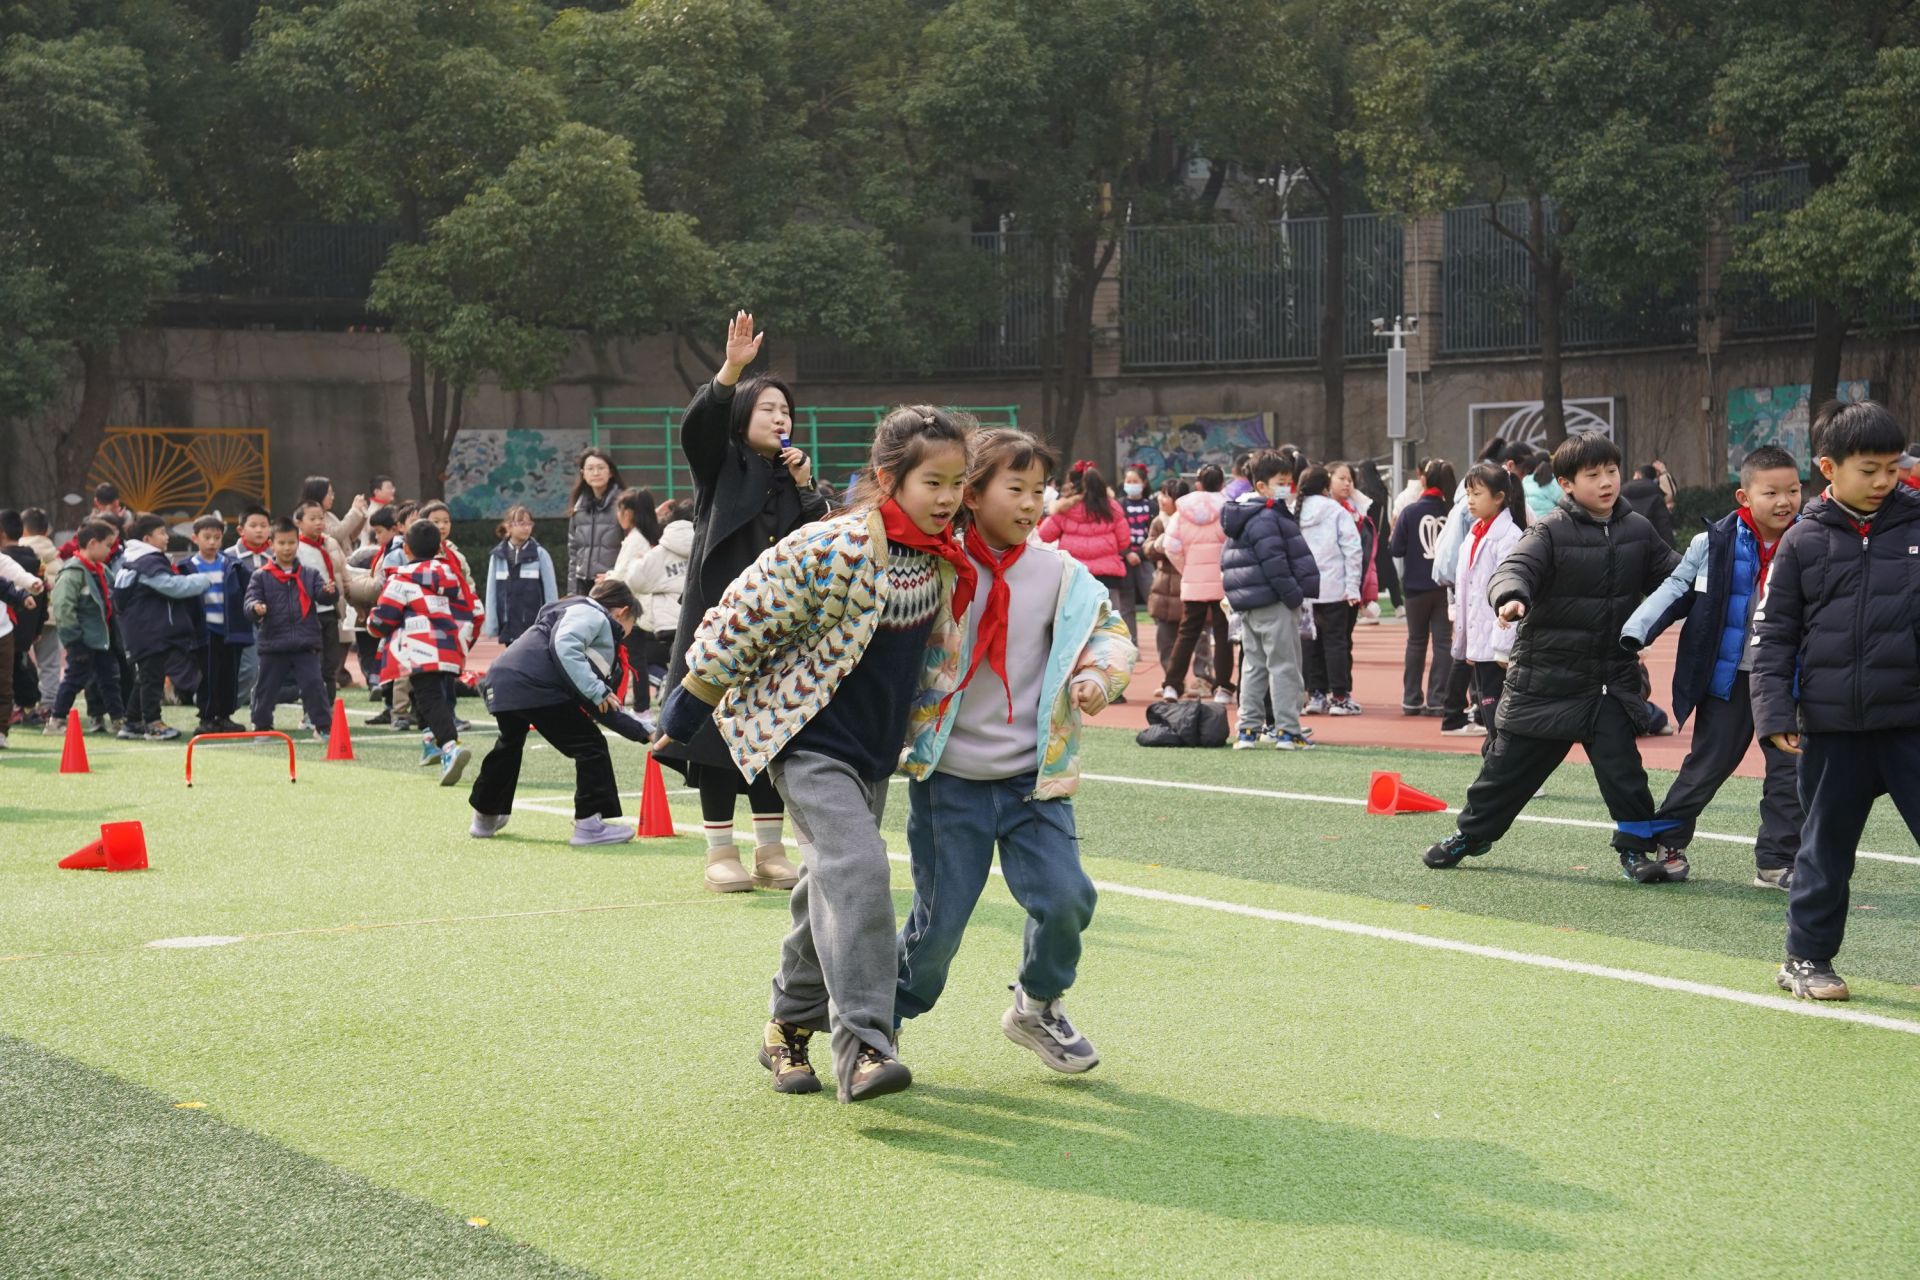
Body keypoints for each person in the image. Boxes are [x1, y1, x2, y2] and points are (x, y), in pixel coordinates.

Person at [654, 403, 973, 1104]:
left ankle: (787, 1025)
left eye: (958, 483)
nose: (948, 497)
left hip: (872, 751)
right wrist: (688, 702)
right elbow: (748, 611)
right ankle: (864, 1047)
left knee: (826, 885)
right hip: (805, 741)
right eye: (933, 482)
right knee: (858, 869)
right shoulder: (837, 545)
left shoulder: (942, 554)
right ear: (888, 479)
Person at [894, 428, 1136, 1072]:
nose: (1031, 504)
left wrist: (1098, 675)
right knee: (939, 924)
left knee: (1066, 899)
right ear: (972, 495)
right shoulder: (934, 567)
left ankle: (1037, 1005)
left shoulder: (1062, 573)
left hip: (1034, 781)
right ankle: (881, 1018)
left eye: (1039, 490)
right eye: (1016, 489)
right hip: (951, 782)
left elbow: (1109, 633)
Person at [1423, 435, 1681, 880]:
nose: (1606, 482)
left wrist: (1707, 580)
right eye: (1593, 475)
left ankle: (1636, 851)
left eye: (1611, 471)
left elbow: (1674, 577)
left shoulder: (1638, 529)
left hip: (1610, 682)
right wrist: (1511, 597)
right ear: (1566, 483)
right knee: (1506, 771)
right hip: (1547, 680)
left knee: (1624, 774)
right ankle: (1472, 834)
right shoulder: (1549, 530)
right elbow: (1513, 569)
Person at [1752, 401, 1920, 1001]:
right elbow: (1773, 635)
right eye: (1869, 470)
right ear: (1829, 467)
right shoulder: (1802, 540)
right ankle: (1806, 958)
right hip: (1833, 727)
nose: (1884, 481)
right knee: (1824, 848)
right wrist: (1774, 713)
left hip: (1910, 721)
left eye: (1893, 468)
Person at [655, 312, 827, 894]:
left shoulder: (793, 476)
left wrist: (805, 486)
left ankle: (770, 850)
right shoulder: (721, 463)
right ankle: (719, 851)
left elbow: (820, 539)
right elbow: (698, 428)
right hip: (719, 624)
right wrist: (731, 370)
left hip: (778, 631)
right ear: (742, 418)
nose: (780, 418)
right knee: (713, 736)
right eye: (767, 409)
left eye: (786, 412)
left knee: (769, 730)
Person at [1622, 446, 1803, 889]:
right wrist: (1635, 631)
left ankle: (1776, 862)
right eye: (1771, 493)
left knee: (1790, 773)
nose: (1784, 501)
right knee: (1707, 766)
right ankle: (1669, 844)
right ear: (1745, 496)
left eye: (1794, 490)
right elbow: (1676, 587)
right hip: (1730, 678)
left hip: (1789, 681)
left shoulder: (1812, 539)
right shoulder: (1714, 542)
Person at [470, 580, 650, 844]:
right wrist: (597, 690)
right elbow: (565, 646)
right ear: (622, 612)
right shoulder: (592, 614)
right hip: (536, 687)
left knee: (509, 745)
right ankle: (589, 826)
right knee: (590, 745)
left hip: (502, 679)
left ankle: (485, 818)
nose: (626, 635)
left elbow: (595, 701)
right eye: (630, 626)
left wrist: (642, 731)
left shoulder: (566, 610)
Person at [1220, 454, 1319, 751]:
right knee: (1285, 666)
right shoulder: (1267, 515)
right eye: (1281, 482)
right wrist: (1293, 595)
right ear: (1262, 485)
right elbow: (1275, 562)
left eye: (1289, 482)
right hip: (1273, 600)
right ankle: (1287, 730)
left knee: (1254, 666)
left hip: (1250, 601)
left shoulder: (1245, 513)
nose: (1287, 488)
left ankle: (1248, 730)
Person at [368, 520, 476, 785]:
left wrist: (371, 621)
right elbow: (473, 608)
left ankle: (450, 746)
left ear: (406, 549)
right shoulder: (452, 575)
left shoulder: (400, 579)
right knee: (430, 694)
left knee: (428, 697)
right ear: (439, 548)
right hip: (449, 646)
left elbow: (383, 619)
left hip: (419, 650)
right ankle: (430, 740)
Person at [1448, 464, 1528, 751]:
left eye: (1477, 494)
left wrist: (1503, 646)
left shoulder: (1509, 537)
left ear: (1499, 497)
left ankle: (1505, 764)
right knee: (1489, 711)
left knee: (1498, 713)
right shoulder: (1474, 533)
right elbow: (1465, 589)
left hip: (1498, 643)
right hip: (1480, 641)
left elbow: (1511, 591)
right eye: (1468, 493)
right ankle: (1497, 762)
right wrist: (1464, 637)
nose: (1470, 500)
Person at [112, 514, 211, 741]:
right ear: (147, 539)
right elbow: (172, 586)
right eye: (162, 533)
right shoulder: (148, 563)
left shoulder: (134, 560)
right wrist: (202, 580)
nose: (167, 538)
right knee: (152, 678)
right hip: (150, 632)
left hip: (143, 632)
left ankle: (132, 722)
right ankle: (153, 724)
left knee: (146, 676)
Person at [242, 518, 335, 742]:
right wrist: (256, 608)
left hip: (305, 643)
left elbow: (322, 595)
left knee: (314, 685)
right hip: (274, 643)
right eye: (282, 543)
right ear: (271, 545)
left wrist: (329, 592)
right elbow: (250, 601)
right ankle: (262, 726)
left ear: (297, 544)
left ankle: (322, 726)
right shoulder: (261, 575)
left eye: (291, 543)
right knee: (266, 688)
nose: (287, 548)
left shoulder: (310, 574)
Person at [1158, 464, 1233, 703]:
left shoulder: (1182, 510)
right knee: (1223, 633)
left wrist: (1187, 569)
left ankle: (1172, 685)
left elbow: (1171, 546)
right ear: (1222, 484)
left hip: (1193, 581)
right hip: (1223, 582)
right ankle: (1223, 687)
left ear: (1198, 483)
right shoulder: (1229, 508)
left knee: (1187, 633)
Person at [1389, 458, 1456, 716]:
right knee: (1443, 643)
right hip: (1444, 587)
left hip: (1415, 587)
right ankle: (1438, 699)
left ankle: (1411, 699)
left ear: (1424, 480)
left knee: (1416, 642)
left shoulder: (1410, 511)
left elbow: (1396, 549)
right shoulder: (1452, 512)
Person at [1038, 466, 1133, 645]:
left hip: (1075, 576)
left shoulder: (1066, 508)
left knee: (1075, 628)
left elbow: (1044, 535)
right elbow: (1124, 542)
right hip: (1108, 576)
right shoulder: (1112, 507)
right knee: (1110, 627)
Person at [1296, 465, 1363, 715]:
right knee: (1336, 643)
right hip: (1334, 588)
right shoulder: (1336, 511)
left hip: (1304, 590)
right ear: (1325, 487)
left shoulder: (1294, 511)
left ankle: (1315, 694)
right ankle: (1340, 696)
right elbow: (1352, 550)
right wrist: (1352, 586)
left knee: (1310, 644)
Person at [623, 501, 694, 720]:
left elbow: (635, 581)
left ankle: (668, 694)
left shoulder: (661, 551)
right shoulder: (705, 544)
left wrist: (637, 562)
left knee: (657, 662)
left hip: (669, 625)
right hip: (702, 619)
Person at [187, 514, 253, 735]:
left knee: (229, 675)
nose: (212, 542)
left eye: (217, 537)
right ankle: (206, 718)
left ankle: (225, 716)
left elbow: (251, 587)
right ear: (195, 538)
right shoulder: (187, 567)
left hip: (230, 631)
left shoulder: (232, 564)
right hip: (204, 633)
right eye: (207, 537)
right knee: (207, 676)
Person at [1143, 480, 1210, 694]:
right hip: (1164, 588)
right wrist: (1157, 545)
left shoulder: (1192, 520)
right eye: (1161, 494)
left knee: (1199, 637)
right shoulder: (1159, 522)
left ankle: (1203, 679)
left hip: (1190, 585)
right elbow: (1148, 547)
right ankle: (1172, 680)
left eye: (1167, 495)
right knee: (1165, 638)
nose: (1161, 499)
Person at [608, 488, 663, 709]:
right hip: (641, 607)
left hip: (631, 608)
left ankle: (637, 707)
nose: (617, 516)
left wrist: (607, 579)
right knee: (636, 659)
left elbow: (622, 575)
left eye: (619, 510)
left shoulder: (635, 539)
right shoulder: (647, 536)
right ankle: (639, 707)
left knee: (631, 660)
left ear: (629, 513)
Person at [293, 499, 350, 707]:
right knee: (313, 663)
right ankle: (312, 709)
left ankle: (329, 706)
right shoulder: (296, 548)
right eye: (312, 519)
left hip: (330, 611)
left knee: (330, 663)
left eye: (321, 518)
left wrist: (351, 600)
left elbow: (343, 573)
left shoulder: (329, 543)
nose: (318, 522)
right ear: (299, 522)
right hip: (309, 613)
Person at [482, 505, 558, 648]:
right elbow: (491, 593)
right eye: (521, 523)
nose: (526, 528)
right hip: (508, 627)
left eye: (529, 524)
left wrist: (551, 623)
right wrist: (492, 624)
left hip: (533, 627)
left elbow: (550, 592)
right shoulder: (498, 556)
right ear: (508, 526)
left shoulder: (540, 554)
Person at [227, 507, 274, 712]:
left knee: (270, 670)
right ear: (240, 530)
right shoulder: (229, 556)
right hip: (241, 622)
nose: (259, 530)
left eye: (263, 526)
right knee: (248, 668)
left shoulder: (276, 554)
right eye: (253, 526)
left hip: (272, 621)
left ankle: (260, 712)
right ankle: (225, 708)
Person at [565, 448, 625, 595]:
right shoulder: (578, 508)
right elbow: (573, 554)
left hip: (612, 584)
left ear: (610, 472)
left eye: (601, 468)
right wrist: (572, 592)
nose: (596, 473)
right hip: (582, 584)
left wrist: (616, 576)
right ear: (583, 473)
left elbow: (633, 548)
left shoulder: (623, 504)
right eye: (590, 468)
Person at [1118, 465, 1157, 644]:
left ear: (1144, 483)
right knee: (1126, 605)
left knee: (1153, 599)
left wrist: (1140, 554)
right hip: (1123, 560)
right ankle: (1130, 645)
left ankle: (1164, 641)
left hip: (1145, 559)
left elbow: (1155, 534)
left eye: (1135, 481)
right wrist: (1127, 553)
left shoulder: (1152, 506)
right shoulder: (1118, 505)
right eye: (1128, 481)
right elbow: (1115, 532)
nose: (1131, 484)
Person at [1623, 463, 1677, 548]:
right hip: (1649, 546)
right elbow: (1664, 527)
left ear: (1638, 475)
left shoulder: (1622, 493)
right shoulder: (1657, 494)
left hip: (1625, 545)